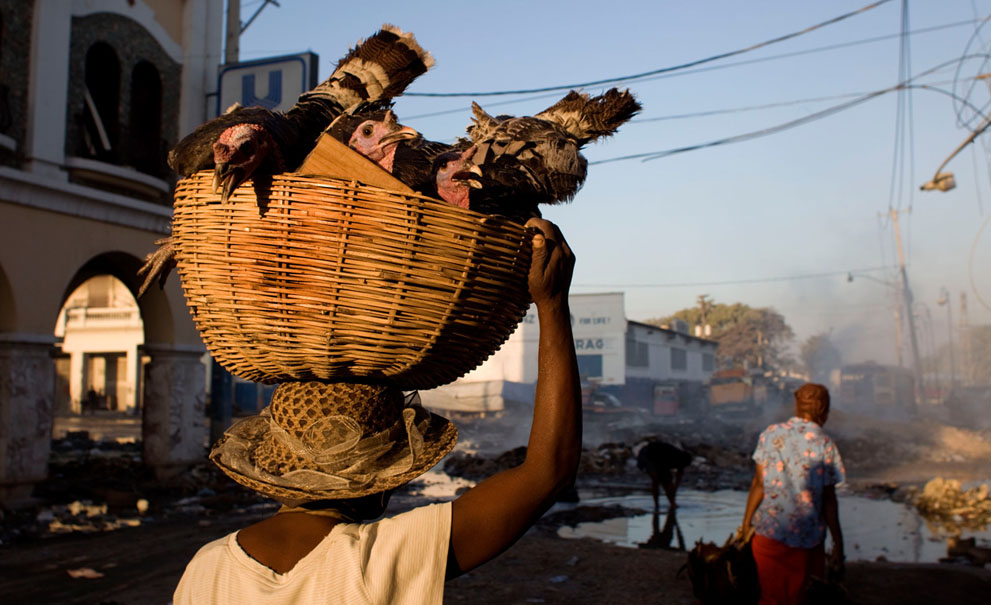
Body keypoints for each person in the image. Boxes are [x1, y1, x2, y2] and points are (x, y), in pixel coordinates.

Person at [173, 218, 580, 604]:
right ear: (384, 478)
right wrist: (552, 304)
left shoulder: (204, 570)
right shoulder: (381, 558)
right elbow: (548, 473)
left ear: (272, 466)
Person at [739, 382, 845, 605]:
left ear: (796, 406)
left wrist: (746, 523)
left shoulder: (770, 434)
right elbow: (829, 500)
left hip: (769, 535)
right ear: (824, 411)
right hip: (808, 542)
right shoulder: (825, 444)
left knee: (770, 598)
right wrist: (838, 543)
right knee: (802, 598)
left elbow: (759, 483)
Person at [635, 439, 693, 510]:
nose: (681, 467)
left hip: (656, 459)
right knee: (657, 479)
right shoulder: (672, 456)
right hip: (648, 456)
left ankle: (671, 504)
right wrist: (671, 489)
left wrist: (674, 489)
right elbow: (665, 480)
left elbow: (678, 476)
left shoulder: (680, 460)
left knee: (666, 481)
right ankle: (657, 505)